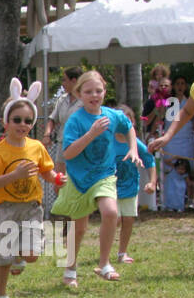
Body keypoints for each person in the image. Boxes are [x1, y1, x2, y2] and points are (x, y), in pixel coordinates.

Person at [50, 70, 138, 286]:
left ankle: (104, 263)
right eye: (88, 91)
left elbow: (129, 127)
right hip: (80, 180)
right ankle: (70, 270)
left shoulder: (111, 115)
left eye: (98, 91)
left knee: (110, 212)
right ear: (79, 94)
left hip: (105, 175)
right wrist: (91, 134)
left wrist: (133, 148)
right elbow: (68, 152)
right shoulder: (75, 121)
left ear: (104, 93)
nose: (94, 95)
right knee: (78, 229)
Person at [0, 79, 62, 298]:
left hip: (31, 207)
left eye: (28, 121)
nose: (23, 124)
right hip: (6, 207)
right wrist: (15, 176)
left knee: (32, 255)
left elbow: (46, 171)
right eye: (17, 120)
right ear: (5, 122)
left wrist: (57, 179)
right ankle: (1, 295)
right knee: (3, 256)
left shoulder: (37, 147)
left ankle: (20, 255)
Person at [113, 104, 157, 265]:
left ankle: (122, 253)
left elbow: (149, 159)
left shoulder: (135, 142)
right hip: (111, 187)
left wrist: (152, 182)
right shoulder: (107, 141)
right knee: (115, 219)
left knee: (128, 220)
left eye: (127, 120)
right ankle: (105, 248)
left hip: (130, 187)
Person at [42, 66, 83, 172]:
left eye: (64, 80)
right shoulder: (62, 99)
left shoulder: (86, 100)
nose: (62, 84)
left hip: (81, 144)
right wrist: (47, 135)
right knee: (60, 180)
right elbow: (52, 119)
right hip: (63, 144)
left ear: (73, 81)